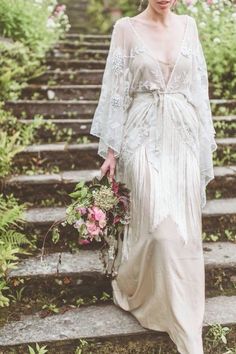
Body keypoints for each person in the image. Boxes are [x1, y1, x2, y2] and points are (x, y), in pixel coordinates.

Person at [90, 0, 217, 353]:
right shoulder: (126, 30)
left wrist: (203, 146)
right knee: (160, 231)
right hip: (143, 136)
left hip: (184, 138)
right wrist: (112, 150)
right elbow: (115, 92)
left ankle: (184, 315)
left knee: (186, 234)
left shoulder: (189, 25)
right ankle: (141, 290)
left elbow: (199, 91)